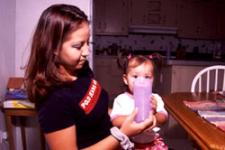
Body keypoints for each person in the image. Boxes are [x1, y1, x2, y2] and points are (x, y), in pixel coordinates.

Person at [25, 4, 155, 150]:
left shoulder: (81, 69)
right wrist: (122, 134)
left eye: (88, 42)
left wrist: (134, 116)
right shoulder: (53, 100)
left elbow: (96, 110)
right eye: (78, 46)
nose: (86, 52)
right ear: (53, 47)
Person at [110, 54, 169, 149]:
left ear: (152, 79)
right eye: (135, 76)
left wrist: (154, 115)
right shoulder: (121, 99)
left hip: (152, 143)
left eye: (147, 77)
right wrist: (135, 118)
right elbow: (115, 121)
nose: (141, 81)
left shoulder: (155, 98)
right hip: (129, 144)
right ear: (125, 79)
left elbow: (164, 118)